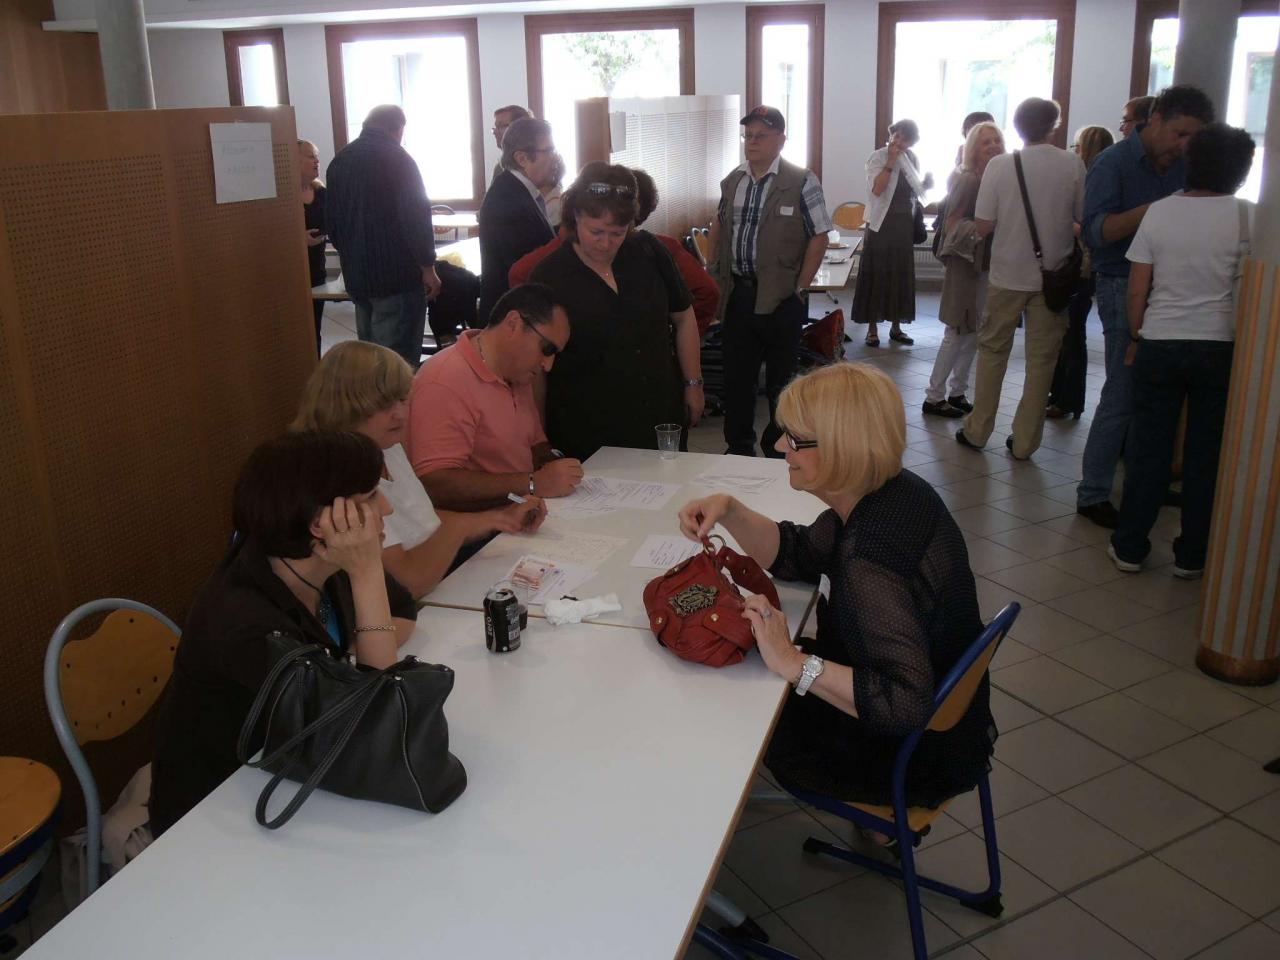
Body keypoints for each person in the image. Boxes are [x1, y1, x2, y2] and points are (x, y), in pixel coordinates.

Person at [675, 363, 994, 810]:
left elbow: (903, 704)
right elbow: (797, 552)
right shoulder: (894, 491)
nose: (781, 446)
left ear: (843, 447)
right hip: (944, 724)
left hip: (905, 756)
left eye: (796, 439)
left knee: (725, 697)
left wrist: (793, 661)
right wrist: (729, 510)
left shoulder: (870, 563)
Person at [148, 431, 418, 836]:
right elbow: (375, 727)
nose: (388, 508)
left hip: (289, 775)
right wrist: (366, 575)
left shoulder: (320, 565)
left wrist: (346, 658)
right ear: (320, 523)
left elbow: (404, 610)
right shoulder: (245, 621)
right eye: (369, 497)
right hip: (213, 821)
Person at [1108, 124, 1254, 579]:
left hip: (1161, 342)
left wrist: (1137, 335)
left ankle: (1131, 547)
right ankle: (1192, 554)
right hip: (1220, 347)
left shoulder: (1160, 214)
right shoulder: (1249, 218)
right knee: (1206, 453)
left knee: (1149, 449)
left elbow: (1138, 290)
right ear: (1242, 170)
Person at [291, 340, 546, 598]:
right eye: (384, 405)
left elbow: (423, 521)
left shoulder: (387, 447)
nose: (400, 414)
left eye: (403, 400)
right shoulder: (340, 477)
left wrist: (499, 517)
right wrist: (462, 528)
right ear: (345, 406)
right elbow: (408, 583)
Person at [1074, 85, 1214, 528]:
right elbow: (1095, 234)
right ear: (1154, 122)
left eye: (1194, 136)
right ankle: (1092, 491)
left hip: (1169, 285)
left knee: (1157, 395)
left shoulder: (1185, 166)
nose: (1185, 145)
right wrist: (1157, 210)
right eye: (1179, 133)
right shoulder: (1112, 163)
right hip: (1120, 284)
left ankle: (1144, 482)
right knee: (1122, 391)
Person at [530, 163, 704, 460]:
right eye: (595, 231)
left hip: (657, 410)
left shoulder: (648, 251)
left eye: (618, 233)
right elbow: (535, 364)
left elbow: (684, 316)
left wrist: (693, 382)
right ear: (575, 217)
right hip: (586, 421)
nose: (606, 243)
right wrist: (537, 432)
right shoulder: (550, 275)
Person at [955, 97, 1084, 460]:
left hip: (1007, 275)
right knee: (1042, 360)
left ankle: (978, 430)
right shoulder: (1072, 164)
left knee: (993, 352)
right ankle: (1025, 442)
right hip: (1053, 278)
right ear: (1054, 126)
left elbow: (983, 225)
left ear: (1017, 127)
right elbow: (1081, 218)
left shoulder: (1000, 165)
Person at [708, 105, 831, 457]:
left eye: (761, 135)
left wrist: (800, 287)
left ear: (781, 139)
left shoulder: (801, 180)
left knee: (782, 383)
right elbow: (718, 223)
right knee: (738, 379)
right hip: (740, 295)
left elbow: (819, 234)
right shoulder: (734, 180)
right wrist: (712, 265)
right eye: (748, 135)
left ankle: (778, 449)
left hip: (782, 299)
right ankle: (739, 447)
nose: (752, 142)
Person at [408, 283, 583, 511]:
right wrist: (532, 483)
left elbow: (534, 444)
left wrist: (554, 463)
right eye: (547, 349)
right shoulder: (444, 380)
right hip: (478, 532)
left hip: (520, 514)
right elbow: (435, 483)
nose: (548, 365)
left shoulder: (515, 372)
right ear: (513, 324)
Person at [326, 104, 442, 369]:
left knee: (368, 359)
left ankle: (372, 409)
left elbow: (332, 222)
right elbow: (416, 216)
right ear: (399, 128)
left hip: (358, 277)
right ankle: (395, 409)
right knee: (395, 365)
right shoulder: (398, 159)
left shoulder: (339, 161)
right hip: (396, 277)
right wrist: (428, 266)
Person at [923, 121, 1005, 418]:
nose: (994, 146)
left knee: (974, 331)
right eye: (986, 142)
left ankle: (957, 391)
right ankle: (934, 396)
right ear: (974, 148)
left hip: (983, 263)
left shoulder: (993, 177)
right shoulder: (969, 179)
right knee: (956, 330)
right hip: (964, 263)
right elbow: (952, 224)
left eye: (996, 140)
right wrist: (985, 227)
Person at [1046, 125, 1116, 420]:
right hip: (1081, 266)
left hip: (1082, 268)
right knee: (1067, 334)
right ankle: (1060, 393)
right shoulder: (1093, 179)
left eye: (1077, 147)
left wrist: (1064, 219)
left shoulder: (1095, 183)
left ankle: (1069, 399)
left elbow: (1089, 230)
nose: (1073, 152)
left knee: (1072, 335)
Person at [855, 119, 932, 347]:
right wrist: (890, 162)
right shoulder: (877, 157)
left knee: (899, 274)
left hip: (903, 225)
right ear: (890, 135)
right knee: (876, 273)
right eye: (896, 136)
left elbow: (914, 191)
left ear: (911, 142)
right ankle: (872, 329)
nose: (898, 142)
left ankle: (896, 328)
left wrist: (926, 185)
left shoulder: (912, 159)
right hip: (881, 224)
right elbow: (877, 189)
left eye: (904, 138)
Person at [478, 117, 558, 325]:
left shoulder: (519, 190)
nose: (554, 158)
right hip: (510, 317)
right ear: (522, 159)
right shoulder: (507, 200)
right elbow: (522, 266)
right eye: (548, 151)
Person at [298, 139, 328, 355]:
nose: (316, 160)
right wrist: (299, 240)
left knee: (314, 326)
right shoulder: (280, 195)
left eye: (316, 156)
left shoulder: (322, 193)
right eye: (310, 156)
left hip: (317, 269)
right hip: (292, 272)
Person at [491, 104, 531, 182]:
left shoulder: (533, 163)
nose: (495, 132)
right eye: (495, 127)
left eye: (500, 126)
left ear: (519, 128)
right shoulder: (499, 168)